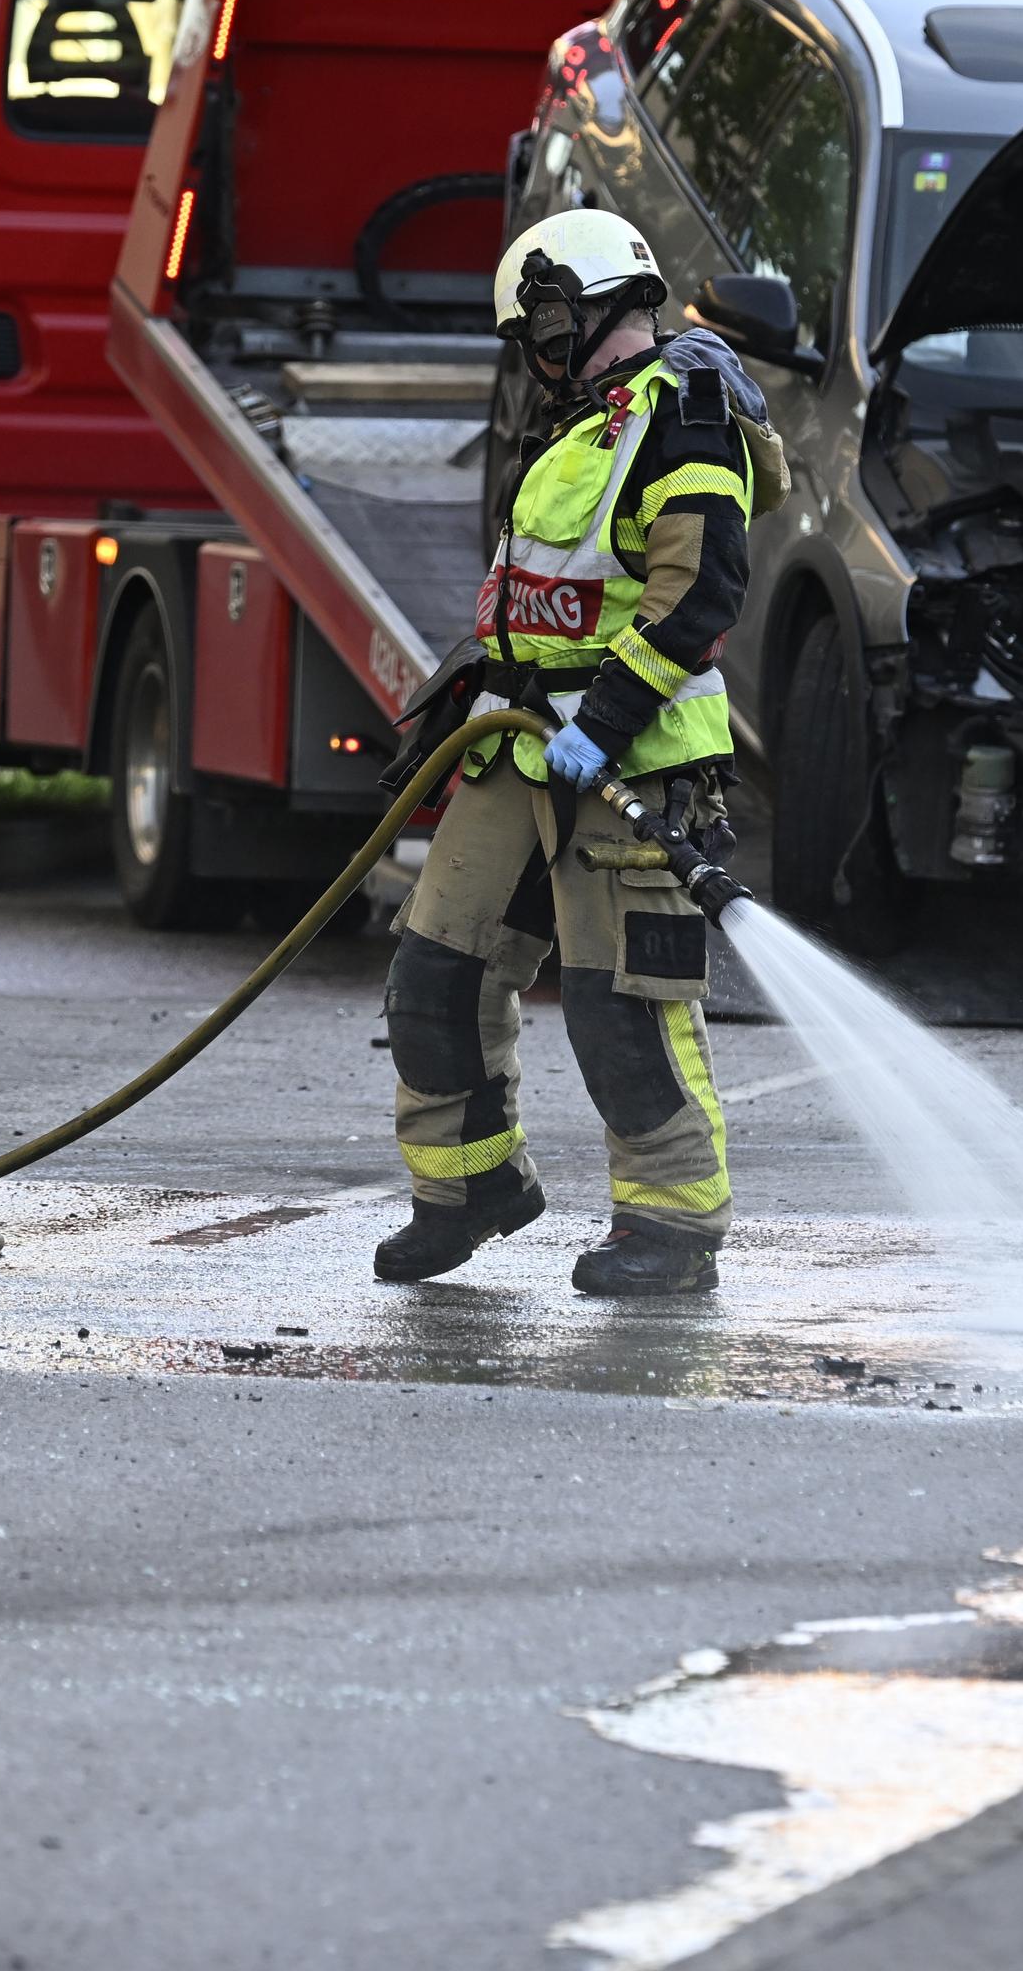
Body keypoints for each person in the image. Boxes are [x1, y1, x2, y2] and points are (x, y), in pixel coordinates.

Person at [378, 213, 781, 1297]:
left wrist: (600, 722)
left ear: (610, 301)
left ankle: (673, 1226)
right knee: (435, 973)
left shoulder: (686, 416)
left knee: (622, 1002)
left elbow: (698, 591)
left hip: (628, 756)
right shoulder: (573, 430)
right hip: (520, 746)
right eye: (531, 328)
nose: (540, 344)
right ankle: (469, 1190)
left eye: (550, 317)